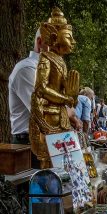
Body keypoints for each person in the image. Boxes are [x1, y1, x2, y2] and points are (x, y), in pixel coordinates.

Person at [29, 7, 80, 169]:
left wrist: (72, 95)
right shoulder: (45, 59)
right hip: (49, 117)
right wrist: (66, 99)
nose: (72, 42)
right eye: (68, 37)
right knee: (50, 162)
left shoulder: (60, 61)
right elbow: (41, 89)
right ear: (53, 37)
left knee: (65, 163)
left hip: (61, 117)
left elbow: (67, 95)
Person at [8, 28, 48, 168]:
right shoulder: (26, 69)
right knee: (32, 189)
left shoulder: (47, 70)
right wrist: (70, 113)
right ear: (40, 42)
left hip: (46, 141)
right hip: (28, 144)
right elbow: (43, 111)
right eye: (56, 45)